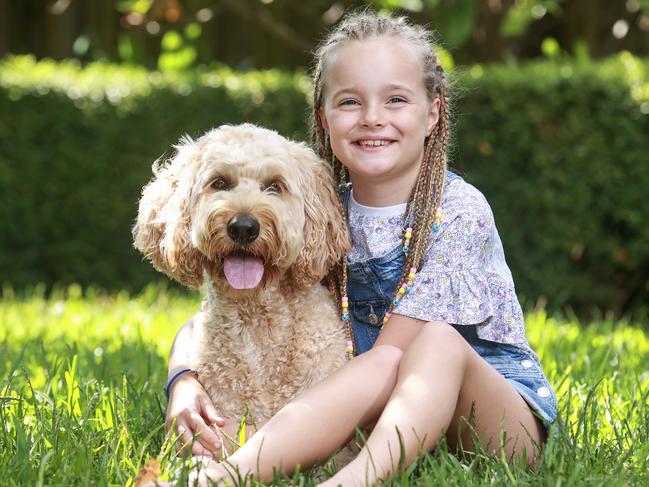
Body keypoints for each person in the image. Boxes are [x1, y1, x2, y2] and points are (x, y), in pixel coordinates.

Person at [164, 11, 558, 486]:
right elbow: (212, 316)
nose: (373, 118)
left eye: (395, 99)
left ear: (433, 112)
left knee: (433, 342)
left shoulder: (457, 211)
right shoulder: (321, 212)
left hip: (497, 424)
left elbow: (388, 364)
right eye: (350, 101)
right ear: (323, 117)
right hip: (381, 415)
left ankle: (308, 480)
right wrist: (182, 379)